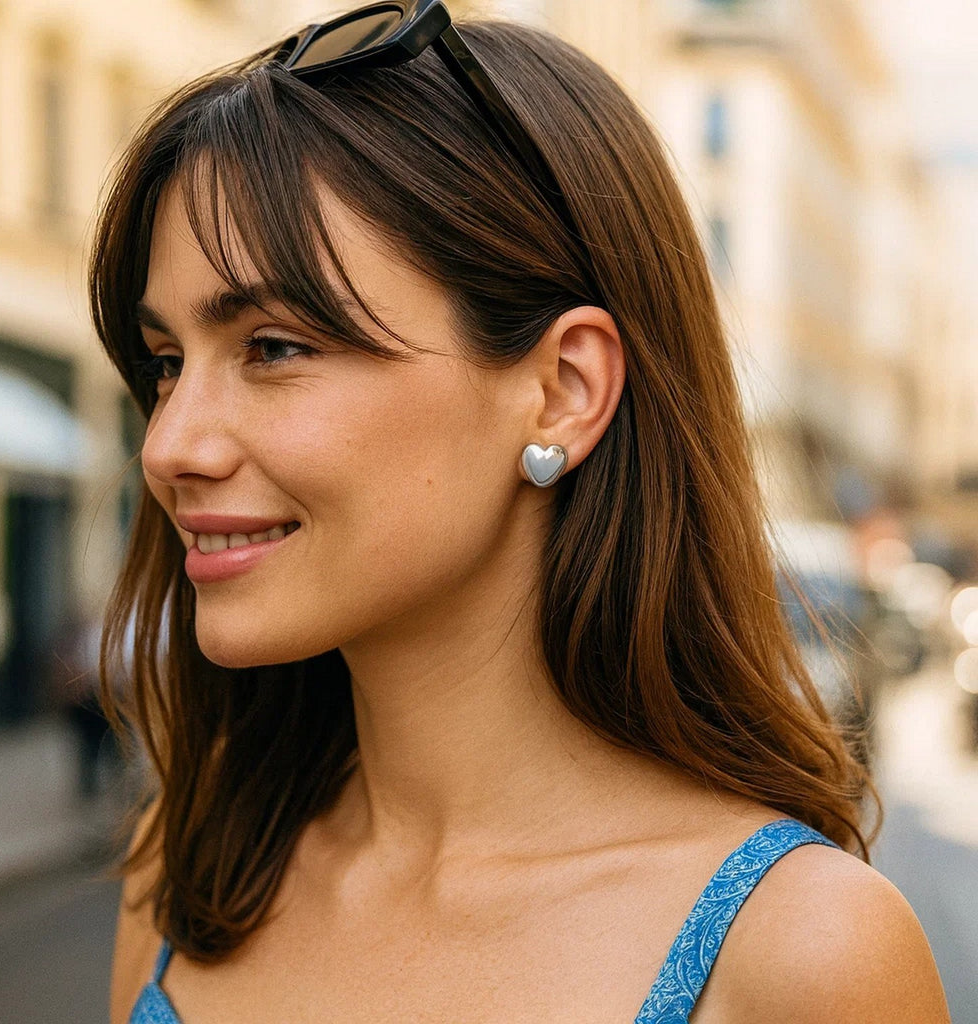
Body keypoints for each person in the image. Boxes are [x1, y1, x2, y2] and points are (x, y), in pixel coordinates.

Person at [90, 3, 950, 1021]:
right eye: (166, 363)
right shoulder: (188, 873)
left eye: (274, 346)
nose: (170, 445)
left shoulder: (800, 955)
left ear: (560, 390)